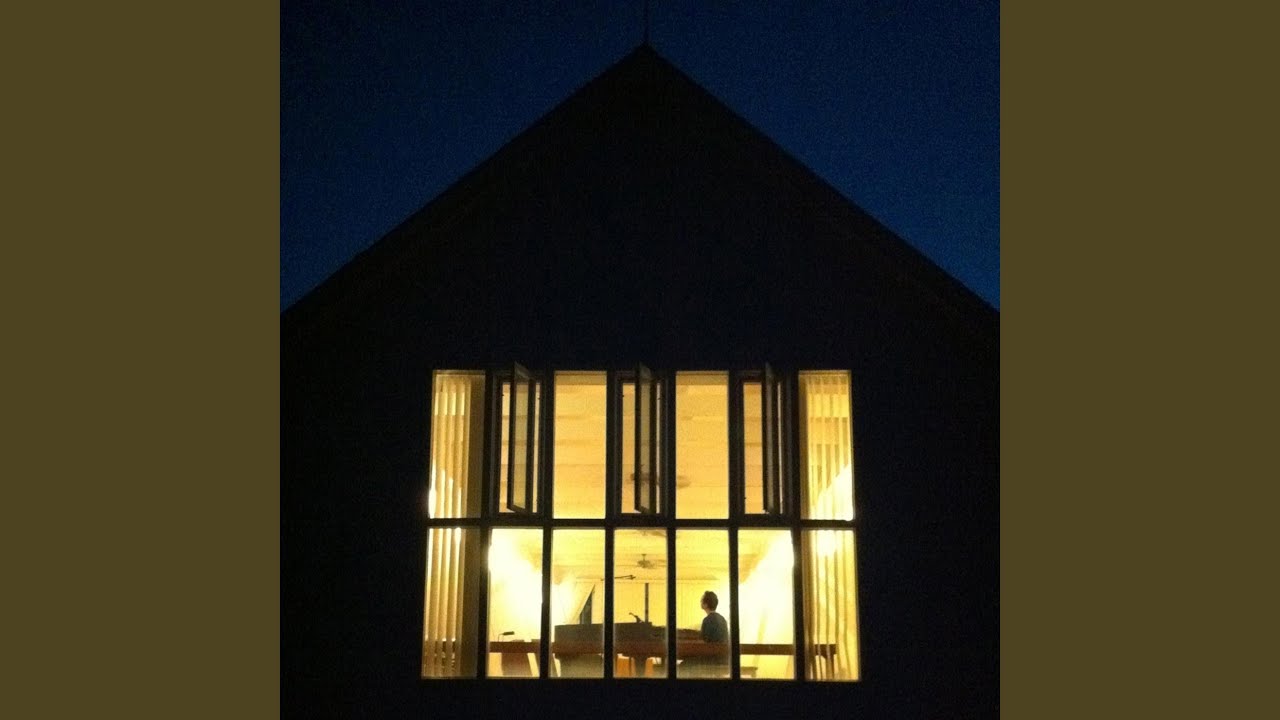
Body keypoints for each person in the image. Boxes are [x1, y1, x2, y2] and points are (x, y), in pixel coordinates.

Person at [684, 590, 729, 677]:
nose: (700, 602)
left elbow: (704, 642)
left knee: (685, 664)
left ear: (706, 604)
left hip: (713, 659)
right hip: (724, 658)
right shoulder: (722, 619)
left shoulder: (708, 620)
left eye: (702, 600)